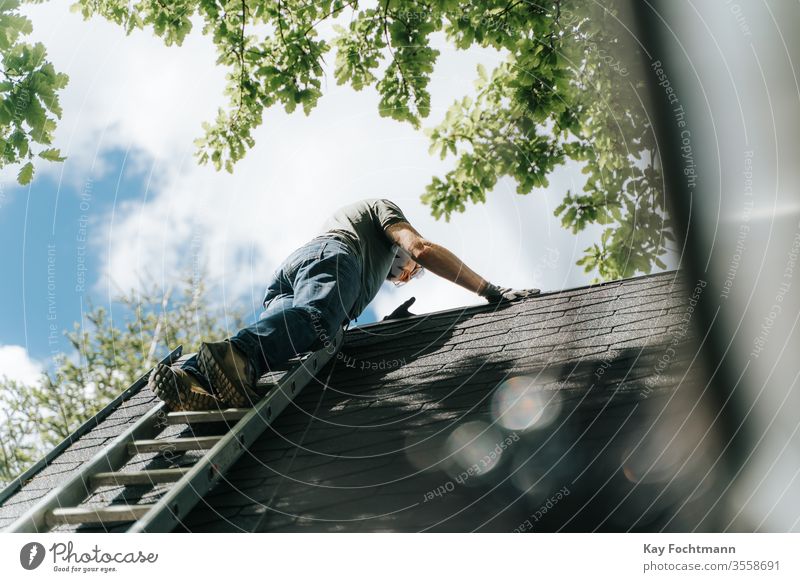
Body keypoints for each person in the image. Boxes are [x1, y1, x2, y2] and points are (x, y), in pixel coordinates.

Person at [148, 198, 539, 410]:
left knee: (288, 333)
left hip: (294, 271)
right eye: (405, 273)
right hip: (333, 258)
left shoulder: (355, 239)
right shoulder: (384, 215)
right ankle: (238, 356)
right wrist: (491, 290)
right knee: (317, 320)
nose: (401, 277)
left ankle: (193, 378)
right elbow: (421, 247)